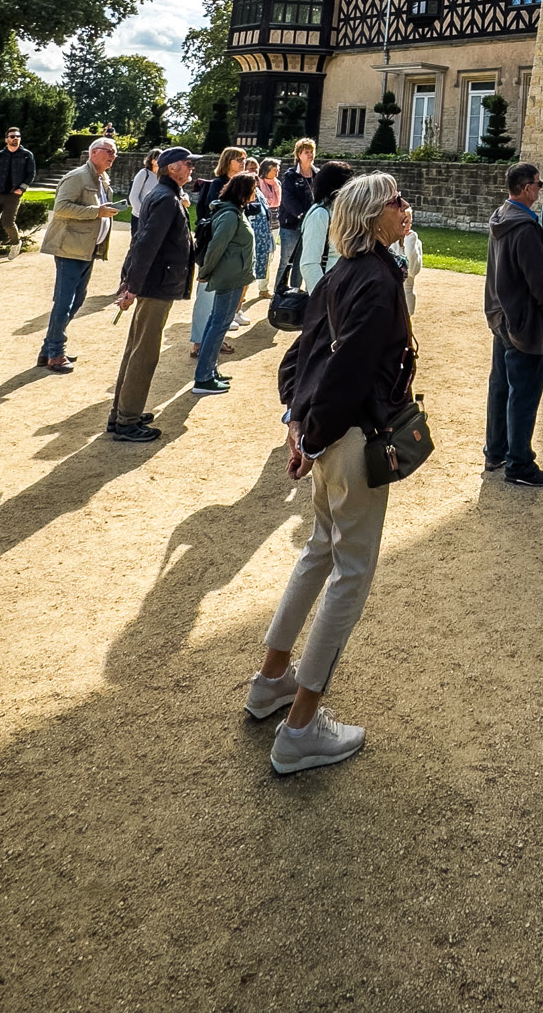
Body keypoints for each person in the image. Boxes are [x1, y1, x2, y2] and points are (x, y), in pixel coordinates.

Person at [246, 172, 415, 774]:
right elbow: (344, 371)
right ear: (373, 217)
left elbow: (302, 358)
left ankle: (272, 679)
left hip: (327, 434)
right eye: (396, 201)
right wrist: (311, 437)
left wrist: (299, 427)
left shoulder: (342, 274)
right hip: (352, 437)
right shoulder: (376, 279)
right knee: (351, 572)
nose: (406, 207)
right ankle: (300, 728)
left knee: (319, 550)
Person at [109, 148, 195, 443]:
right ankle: (127, 420)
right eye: (187, 163)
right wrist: (131, 285)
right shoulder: (166, 198)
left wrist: (130, 281)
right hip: (157, 285)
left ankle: (121, 413)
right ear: (172, 168)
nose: (192, 167)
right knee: (144, 353)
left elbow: (142, 241)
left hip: (155, 282)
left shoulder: (165, 194)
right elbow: (145, 243)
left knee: (137, 348)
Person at [484, 161, 543, 486]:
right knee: (524, 392)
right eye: (538, 184)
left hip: (501, 314)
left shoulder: (502, 216)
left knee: (501, 386)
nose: (540, 189)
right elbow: (538, 283)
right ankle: (519, 463)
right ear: (527, 188)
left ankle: (496, 451)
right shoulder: (525, 227)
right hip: (523, 320)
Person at [38, 137, 117, 372]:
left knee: (77, 300)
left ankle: (48, 350)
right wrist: (97, 212)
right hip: (70, 248)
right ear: (93, 153)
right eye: (108, 151)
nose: (112, 156)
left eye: (114, 152)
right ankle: (55, 353)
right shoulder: (77, 177)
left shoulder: (102, 179)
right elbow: (61, 208)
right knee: (65, 302)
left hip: (86, 249)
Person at [194, 172, 256, 395]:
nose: (255, 193)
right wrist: (205, 272)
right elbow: (216, 247)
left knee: (216, 323)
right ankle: (203, 378)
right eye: (253, 189)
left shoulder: (234, 211)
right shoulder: (230, 215)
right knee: (218, 325)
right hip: (230, 277)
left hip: (234, 275)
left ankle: (209, 371)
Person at [188, 146, 248, 359]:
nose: (243, 162)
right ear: (228, 161)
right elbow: (215, 215)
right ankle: (198, 342)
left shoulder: (238, 183)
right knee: (206, 297)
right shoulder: (218, 184)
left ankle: (214, 339)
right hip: (214, 247)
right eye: (239, 159)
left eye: (244, 159)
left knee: (220, 300)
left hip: (230, 249)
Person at [0, 126, 36, 264]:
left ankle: (16, 242)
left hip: (13, 194)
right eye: (12, 136)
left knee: (8, 222)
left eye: (18, 136)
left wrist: (21, 189)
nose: (15, 138)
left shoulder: (27, 155)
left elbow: (31, 174)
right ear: (6, 140)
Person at [297, 161, 355, 298]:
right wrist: (323, 300)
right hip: (328, 294)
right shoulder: (320, 214)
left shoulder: (340, 212)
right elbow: (309, 263)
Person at [275, 139, 318, 298]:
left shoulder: (317, 174)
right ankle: (278, 294)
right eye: (307, 152)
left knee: (301, 260)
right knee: (286, 260)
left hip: (310, 224)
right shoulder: (291, 175)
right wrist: (302, 215)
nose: (310, 155)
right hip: (291, 224)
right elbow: (288, 199)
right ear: (299, 154)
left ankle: (294, 294)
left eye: (312, 151)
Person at [239, 155, 273, 317]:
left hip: (261, 237)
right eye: (251, 168)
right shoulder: (243, 189)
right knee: (244, 273)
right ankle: (236, 309)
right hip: (249, 237)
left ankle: (238, 306)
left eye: (256, 168)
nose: (254, 171)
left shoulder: (257, 189)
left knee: (251, 273)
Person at [127, 149, 162, 240]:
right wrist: (144, 215)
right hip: (139, 218)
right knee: (137, 243)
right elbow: (133, 197)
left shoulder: (162, 176)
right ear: (153, 161)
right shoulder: (144, 173)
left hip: (155, 219)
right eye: (160, 158)